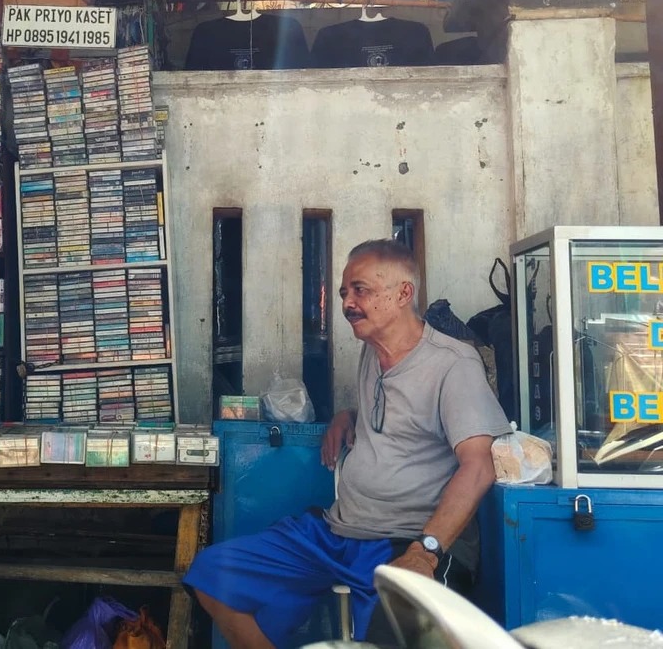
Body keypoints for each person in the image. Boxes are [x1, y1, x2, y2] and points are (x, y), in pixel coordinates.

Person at [183, 238, 512, 649]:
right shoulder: (372, 351)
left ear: (403, 293)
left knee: (389, 635)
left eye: (361, 290)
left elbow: (478, 466)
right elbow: (405, 421)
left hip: (405, 539)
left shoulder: (453, 364)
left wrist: (424, 552)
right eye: (344, 293)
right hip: (338, 530)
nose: (348, 303)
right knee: (214, 576)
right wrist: (347, 416)